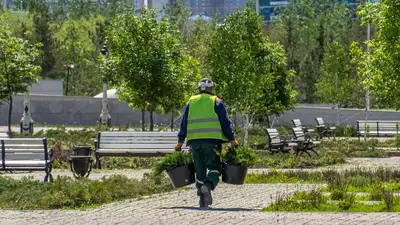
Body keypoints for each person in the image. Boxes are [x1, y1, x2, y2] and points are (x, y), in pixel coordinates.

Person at [175, 78, 239, 209]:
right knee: (215, 168)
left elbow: (184, 123)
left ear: (199, 88)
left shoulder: (191, 102)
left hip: (195, 142)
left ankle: (202, 201)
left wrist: (180, 142)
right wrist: (232, 139)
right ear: (210, 89)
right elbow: (225, 123)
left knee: (199, 170)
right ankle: (208, 186)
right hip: (212, 141)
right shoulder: (216, 101)